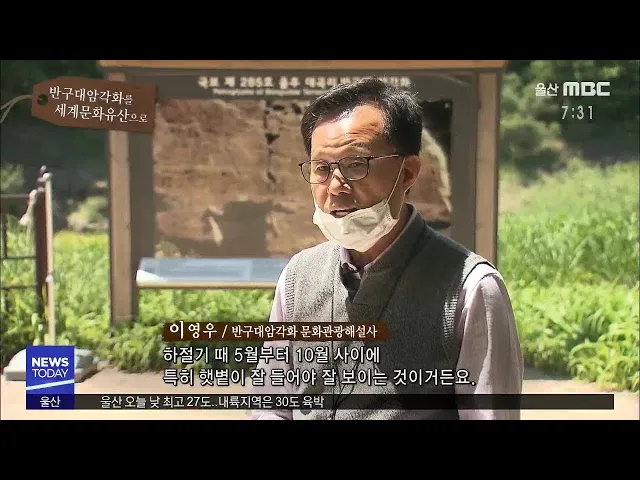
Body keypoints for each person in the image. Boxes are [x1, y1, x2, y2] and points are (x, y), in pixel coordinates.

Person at [250, 77, 523, 420]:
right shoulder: (298, 278)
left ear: (407, 173)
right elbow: (272, 405)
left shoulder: (471, 290)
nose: (335, 188)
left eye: (356, 165)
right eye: (321, 168)